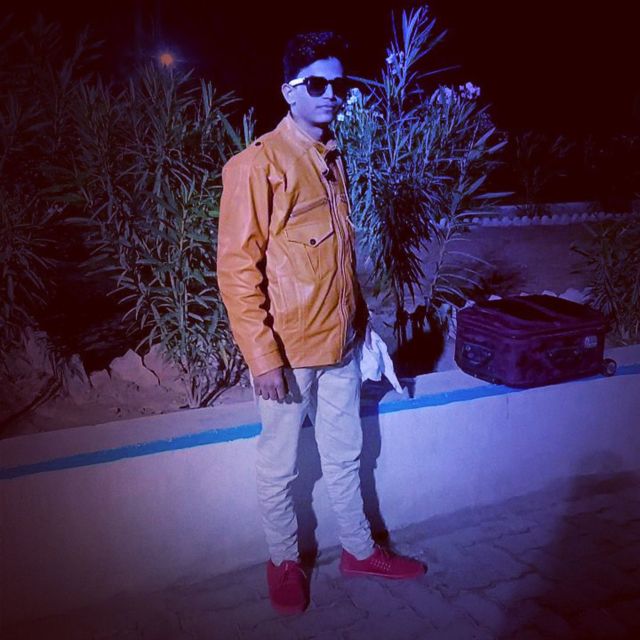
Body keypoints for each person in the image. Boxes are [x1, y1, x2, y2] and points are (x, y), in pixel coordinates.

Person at [217, 31, 425, 616]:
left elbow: (333, 259)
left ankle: (359, 550)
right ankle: (283, 562)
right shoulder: (257, 165)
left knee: (345, 452)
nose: (332, 93)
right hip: (287, 353)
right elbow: (236, 270)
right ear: (290, 91)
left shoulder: (331, 157)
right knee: (279, 465)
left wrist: (360, 329)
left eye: (339, 83)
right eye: (317, 83)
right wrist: (262, 357)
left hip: (340, 345)